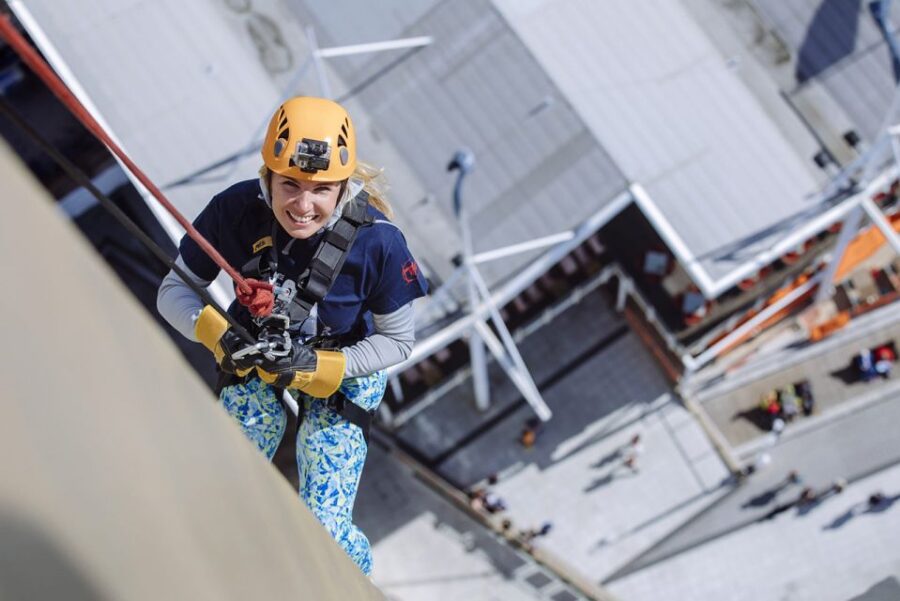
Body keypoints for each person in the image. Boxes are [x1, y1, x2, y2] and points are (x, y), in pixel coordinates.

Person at [157, 96, 428, 575]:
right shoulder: (235, 210)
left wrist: (319, 368)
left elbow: (397, 342)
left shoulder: (379, 242)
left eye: (321, 190)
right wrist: (218, 335)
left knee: (325, 530)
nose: (303, 206)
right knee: (223, 482)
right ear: (268, 178)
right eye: (290, 185)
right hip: (254, 351)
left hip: (345, 372)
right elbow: (175, 290)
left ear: (342, 188)